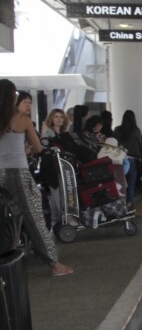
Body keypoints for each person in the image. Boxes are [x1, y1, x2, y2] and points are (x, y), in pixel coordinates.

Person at [0, 79, 73, 277]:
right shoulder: (21, 119)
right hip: (19, 174)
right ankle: (54, 264)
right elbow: (39, 147)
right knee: (35, 218)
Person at [112, 110, 142, 210]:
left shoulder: (117, 129)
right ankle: (129, 206)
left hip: (118, 160)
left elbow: (114, 144)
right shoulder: (136, 130)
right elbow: (139, 145)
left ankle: (118, 206)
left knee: (119, 184)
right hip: (131, 160)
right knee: (130, 185)